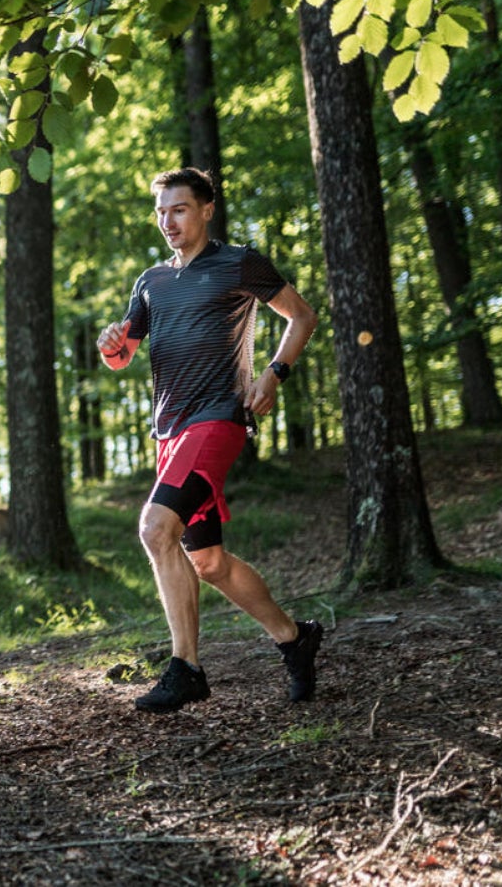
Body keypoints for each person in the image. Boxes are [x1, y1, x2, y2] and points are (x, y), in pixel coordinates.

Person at [97, 167, 322, 714]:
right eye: (160, 212)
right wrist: (111, 345)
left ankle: (186, 668)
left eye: (177, 209)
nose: (167, 221)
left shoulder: (238, 262)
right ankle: (295, 639)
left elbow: (301, 316)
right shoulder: (150, 282)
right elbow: (123, 353)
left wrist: (273, 374)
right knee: (209, 562)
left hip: (218, 418)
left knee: (155, 528)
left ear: (204, 210)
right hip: (169, 432)